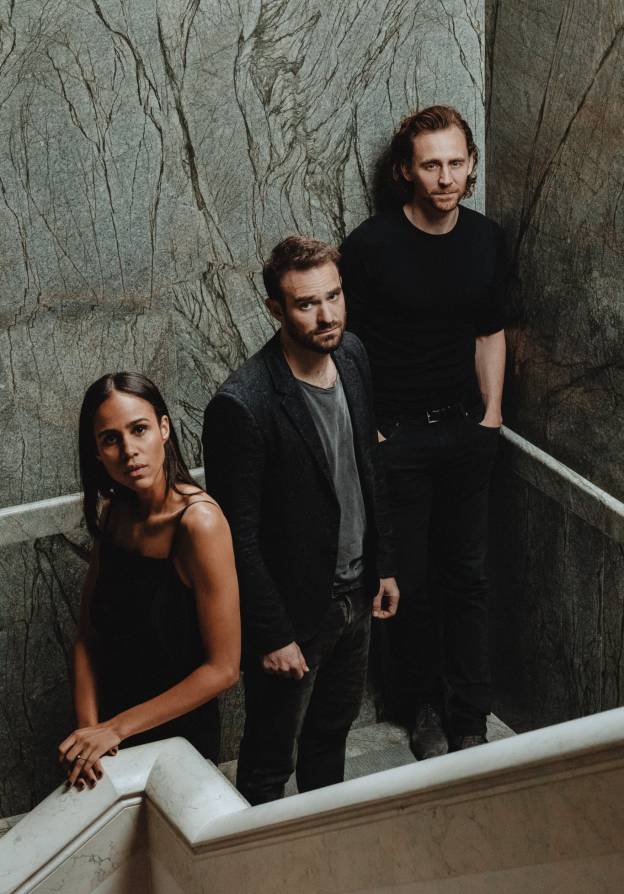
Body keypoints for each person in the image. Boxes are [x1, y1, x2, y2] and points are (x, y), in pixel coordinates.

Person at [202, 236, 399, 805]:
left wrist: (383, 565)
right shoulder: (243, 404)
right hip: (294, 615)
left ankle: (322, 844)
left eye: (334, 296)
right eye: (307, 303)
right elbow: (237, 537)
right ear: (276, 308)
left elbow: (368, 466)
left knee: (330, 736)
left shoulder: (353, 355)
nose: (327, 315)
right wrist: (272, 634)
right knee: (269, 760)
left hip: (355, 596)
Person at [340, 105, 506, 758]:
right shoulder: (370, 246)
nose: (445, 177)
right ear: (406, 171)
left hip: (466, 430)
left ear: (471, 165)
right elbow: (347, 350)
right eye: (431, 165)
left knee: (469, 577)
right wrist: (376, 435)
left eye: (456, 163)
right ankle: (425, 709)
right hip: (397, 440)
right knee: (410, 582)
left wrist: (491, 417)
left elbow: (490, 333)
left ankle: (471, 716)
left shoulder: (486, 239)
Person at [58, 372, 240, 790]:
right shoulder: (116, 513)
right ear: (96, 452)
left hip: (177, 736)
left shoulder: (199, 523)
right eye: (110, 439)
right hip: (108, 734)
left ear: (164, 428)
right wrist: (89, 735)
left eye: (139, 429)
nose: (129, 451)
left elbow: (224, 668)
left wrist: (114, 730)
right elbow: (86, 638)